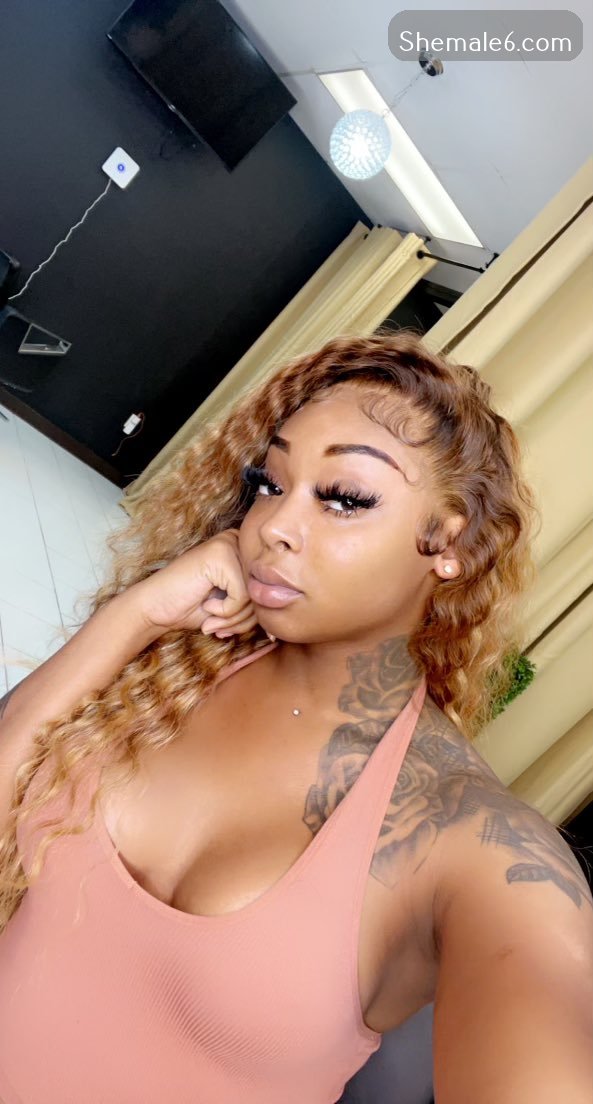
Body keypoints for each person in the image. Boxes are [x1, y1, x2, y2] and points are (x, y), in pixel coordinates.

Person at [0, 330, 591, 1104]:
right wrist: (136, 616)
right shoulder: (181, 664)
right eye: (269, 484)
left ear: (450, 542)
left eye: (343, 497)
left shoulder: (471, 842)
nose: (272, 525)